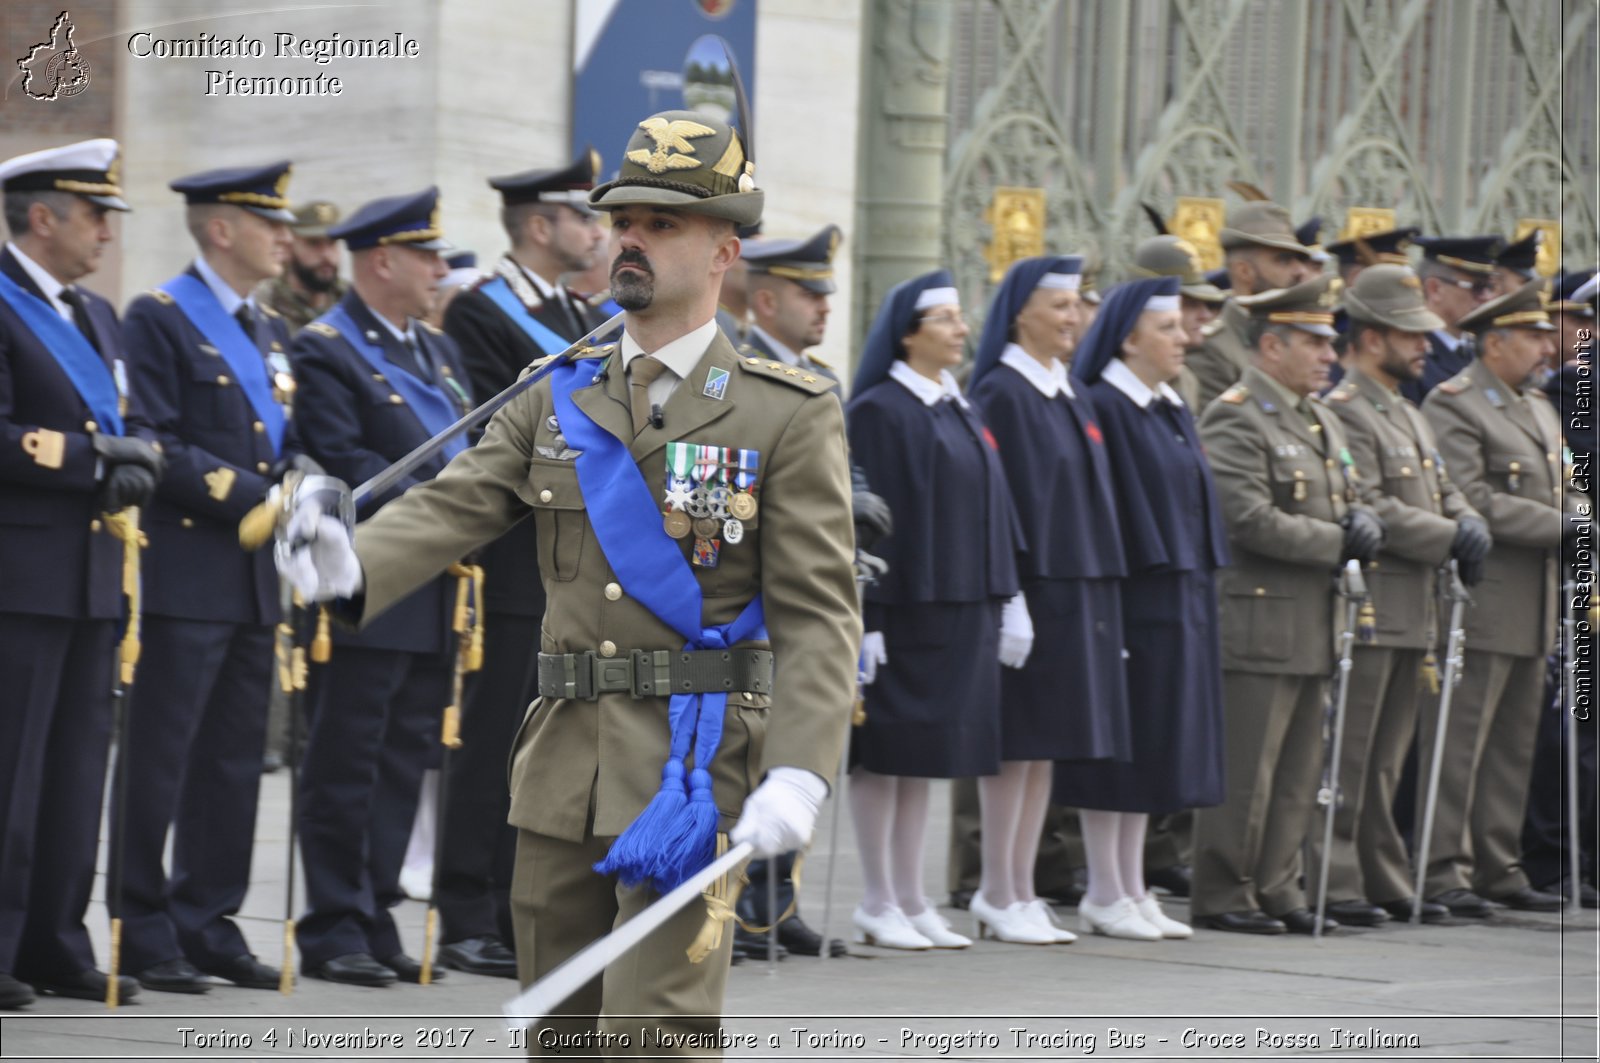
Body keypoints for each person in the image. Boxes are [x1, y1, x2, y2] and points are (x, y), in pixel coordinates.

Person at [278, 110, 858, 1049]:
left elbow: (819, 609)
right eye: (625, 218)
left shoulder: (783, 412)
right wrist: (352, 563)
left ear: (724, 250)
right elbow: (456, 501)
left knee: (653, 1030)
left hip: (694, 769)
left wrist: (800, 765)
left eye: (663, 223)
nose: (631, 237)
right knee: (559, 1030)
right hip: (560, 766)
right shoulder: (558, 390)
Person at [115, 161, 311, 994]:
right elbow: (149, 435)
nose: (286, 239)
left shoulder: (268, 330)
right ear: (221, 228)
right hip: (187, 568)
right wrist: (252, 496)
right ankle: (144, 928)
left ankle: (210, 920)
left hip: (252, 580)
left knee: (233, 760)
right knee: (163, 757)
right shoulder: (157, 317)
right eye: (270, 223)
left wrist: (301, 480)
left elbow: (286, 436)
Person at [289, 186, 474, 986]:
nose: (439, 268)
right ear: (383, 259)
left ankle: (375, 909)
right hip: (366, 580)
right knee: (348, 755)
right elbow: (337, 460)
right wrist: (442, 497)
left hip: (434, 583)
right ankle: (332, 924)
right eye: (426, 254)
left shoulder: (433, 351)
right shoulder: (327, 347)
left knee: (402, 758)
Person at [431, 154, 609, 980]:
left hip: (573, 561)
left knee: (547, 749)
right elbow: (490, 433)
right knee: (494, 738)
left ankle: (515, 906)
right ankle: (465, 908)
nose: (598, 233)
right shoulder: (481, 313)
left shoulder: (581, 310)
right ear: (540, 225)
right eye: (583, 217)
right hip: (513, 560)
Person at [0, 139, 157, 1007]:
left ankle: (53, 941)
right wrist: (89, 455)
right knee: (9, 769)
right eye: (95, 213)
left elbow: (126, 423)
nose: (107, 230)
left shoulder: (96, 315)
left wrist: (127, 457)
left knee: (71, 776)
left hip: (96, 573)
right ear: (42, 217)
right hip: (20, 573)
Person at [1191, 275, 1384, 935]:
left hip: (1315, 616)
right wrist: (1339, 538)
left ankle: (1279, 884)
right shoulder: (1236, 412)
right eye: (1313, 341)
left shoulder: (1320, 415)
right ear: (1271, 344)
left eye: (1330, 341)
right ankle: (1225, 889)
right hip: (1261, 615)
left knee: (1300, 765)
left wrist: (1360, 522)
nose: (1328, 354)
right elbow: (1246, 518)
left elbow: (1347, 490)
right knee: (1250, 764)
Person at [847, 270, 1027, 949]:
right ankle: (876, 897)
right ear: (908, 332)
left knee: (922, 756)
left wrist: (1008, 595)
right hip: (906, 607)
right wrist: (870, 620)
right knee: (885, 752)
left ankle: (911, 895)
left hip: (959, 604)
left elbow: (994, 504)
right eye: (947, 319)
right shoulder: (880, 409)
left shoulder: (953, 403)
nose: (961, 329)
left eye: (960, 317)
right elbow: (872, 524)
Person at [1314, 264, 1487, 927]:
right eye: (1409, 335)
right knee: (1351, 751)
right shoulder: (1346, 410)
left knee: (1387, 758)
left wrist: (1466, 517)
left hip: (1417, 605)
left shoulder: (1409, 413)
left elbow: (1446, 486)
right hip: (1372, 604)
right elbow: (1369, 502)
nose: (1425, 344)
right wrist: (1449, 533)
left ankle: (1382, 871)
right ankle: (1336, 874)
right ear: (1370, 336)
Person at [967, 256, 1130, 944]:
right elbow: (1002, 503)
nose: (1073, 320)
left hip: (1076, 589)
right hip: (1030, 589)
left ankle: (1022, 885)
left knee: (1044, 749)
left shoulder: (1066, 391)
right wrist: (1011, 595)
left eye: (1076, 307)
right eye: (1058, 307)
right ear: (1020, 312)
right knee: (1017, 743)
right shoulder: (1004, 391)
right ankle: (997, 888)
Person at [1066, 274, 1234, 941]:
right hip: (1132, 595)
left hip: (1180, 592)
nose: (1184, 337)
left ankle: (1131, 882)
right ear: (1130, 335)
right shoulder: (1106, 402)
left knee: (1160, 740)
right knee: (1123, 747)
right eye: (1168, 328)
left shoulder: (1168, 404)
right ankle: (1104, 887)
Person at [1417, 280, 1571, 917]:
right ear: (1494, 341)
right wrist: (1569, 526)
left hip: (1533, 599)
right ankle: (1443, 867)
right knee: (1461, 740)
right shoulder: (1455, 403)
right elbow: (1474, 500)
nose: (1545, 347)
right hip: (1483, 598)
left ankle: (1496, 863)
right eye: (1533, 336)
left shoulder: (1535, 406)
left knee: (1512, 742)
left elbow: (1570, 483)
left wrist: (1582, 514)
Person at [731, 223, 855, 960]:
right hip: (749, 590)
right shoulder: (736, 370)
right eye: (811, 294)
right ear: (767, 298)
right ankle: (742, 902)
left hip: (804, 585)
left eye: (826, 295)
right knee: (747, 745)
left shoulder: (821, 382)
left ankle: (779, 903)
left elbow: (841, 477)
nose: (823, 308)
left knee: (795, 736)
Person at [1186, 199, 1319, 410]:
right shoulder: (1211, 348)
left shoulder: (1295, 335)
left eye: (1299, 259)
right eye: (1283, 260)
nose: (1300, 271)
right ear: (1244, 271)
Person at [1129, 234, 1227, 414]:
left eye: (1207, 304)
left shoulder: (1186, 379)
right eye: (1190, 304)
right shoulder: (1115, 384)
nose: (1205, 315)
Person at [1410, 235, 1501, 402]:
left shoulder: (1480, 353)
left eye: (1490, 287)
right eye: (1477, 288)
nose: (1487, 298)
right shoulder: (1413, 357)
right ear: (1435, 289)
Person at [256, 199, 347, 333]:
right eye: (314, 243)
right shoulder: (265, 302)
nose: (327, 255)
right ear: (289, 246)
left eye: (332, 243)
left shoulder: (351, 300)